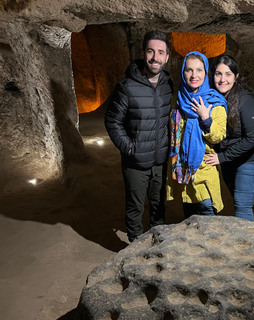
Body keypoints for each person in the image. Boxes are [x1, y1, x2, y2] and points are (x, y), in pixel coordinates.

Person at [104, 31, 173, 243]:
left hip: (160, 161)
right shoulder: (126, 87)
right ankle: (135, 246)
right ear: (143, 53)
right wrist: (128, 147)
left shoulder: (168, 85)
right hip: (135, 161)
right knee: (135, 207)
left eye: (161, 52)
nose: (155, 57)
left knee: (158, 205)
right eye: (151, 51)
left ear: (167, 57)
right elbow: (112, 121)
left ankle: (157, 243)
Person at [205, 55, 254, 221]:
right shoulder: (212, 97)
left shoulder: (246, 101)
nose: (222, 79)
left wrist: (222, 157)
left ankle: (244, 245)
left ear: (236, 76)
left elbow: (252, 139)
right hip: (229, 158)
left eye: (228, 74)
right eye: (218, 74)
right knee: (239, 199)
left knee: (241, 205)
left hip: (250, 159)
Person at [167, 51, 227, 218]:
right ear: (183, 72)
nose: (194, 75)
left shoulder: (214, 102)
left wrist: (205, 118)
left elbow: (218, 136)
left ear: (206, 73)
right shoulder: (177, 99)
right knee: (188, 211)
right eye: (189, 70)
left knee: (207, 209)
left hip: (203, 167)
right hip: (181, 166)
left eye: (199, 70)